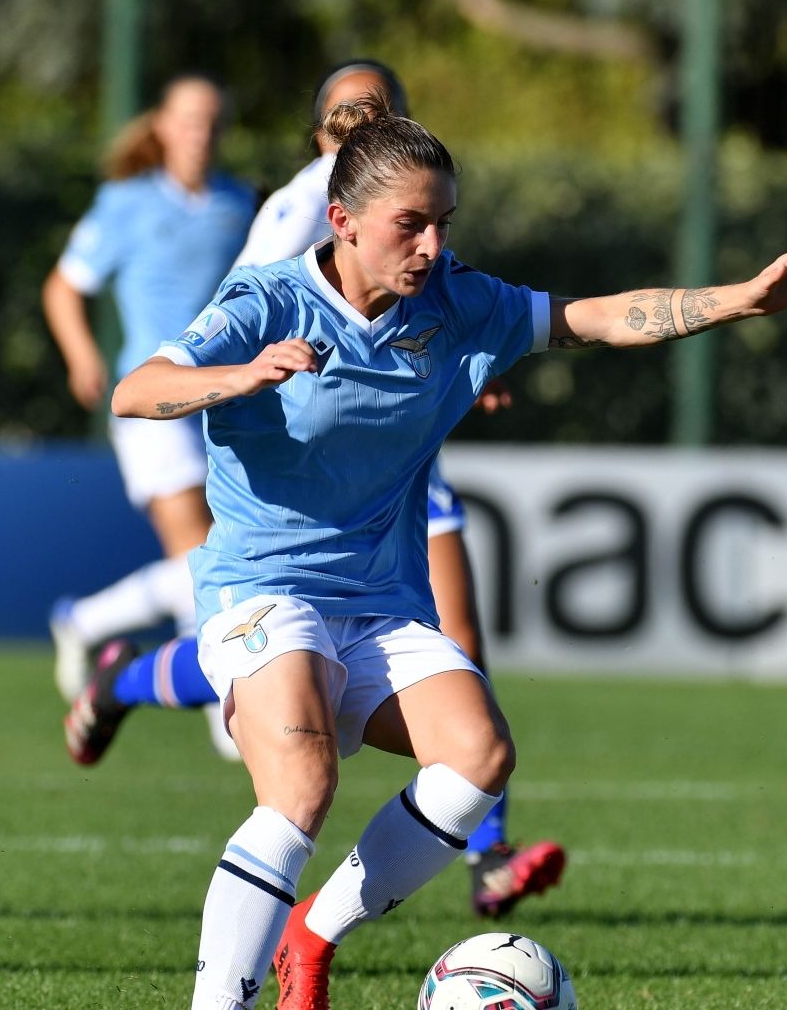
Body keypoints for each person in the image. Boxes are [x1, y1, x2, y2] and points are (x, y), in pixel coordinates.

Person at [112, 91, 787, 1010]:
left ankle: (313, 934)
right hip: (263, 590)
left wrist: (741, 299)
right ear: (341, 221)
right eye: (409, 226)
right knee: (301, 782)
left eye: (443, 225)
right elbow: (138, 389)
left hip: (377, 603)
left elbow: (602, 316)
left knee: (478, 757)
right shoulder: (267, 299)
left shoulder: (460, 304)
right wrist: (242, 374)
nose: (431, 247)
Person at [62, 60, 565, 920]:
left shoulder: (415, 197)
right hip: (296, 454)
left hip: (398, 452)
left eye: (378, 111)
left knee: (460, 645)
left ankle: (487, 850)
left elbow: (440, 313)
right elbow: (250, 312)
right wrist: (243, 375)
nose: (362, 125)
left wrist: (465, 367)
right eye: (344, 113)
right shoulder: (294, 213)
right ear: (323, 137)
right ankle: (127, 675)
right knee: (251, 633)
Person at [43, 73, 253, 703]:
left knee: (224, 552)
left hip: (221, 401)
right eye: (189, 120)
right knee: (202, 552)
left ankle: (86, 622)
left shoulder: (240, 205)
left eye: (213, 121)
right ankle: (222, 700)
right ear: (162, 126)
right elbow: (63, 287)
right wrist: (83, 356)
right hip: (152, 401)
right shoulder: (125, 202)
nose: (201, 134)